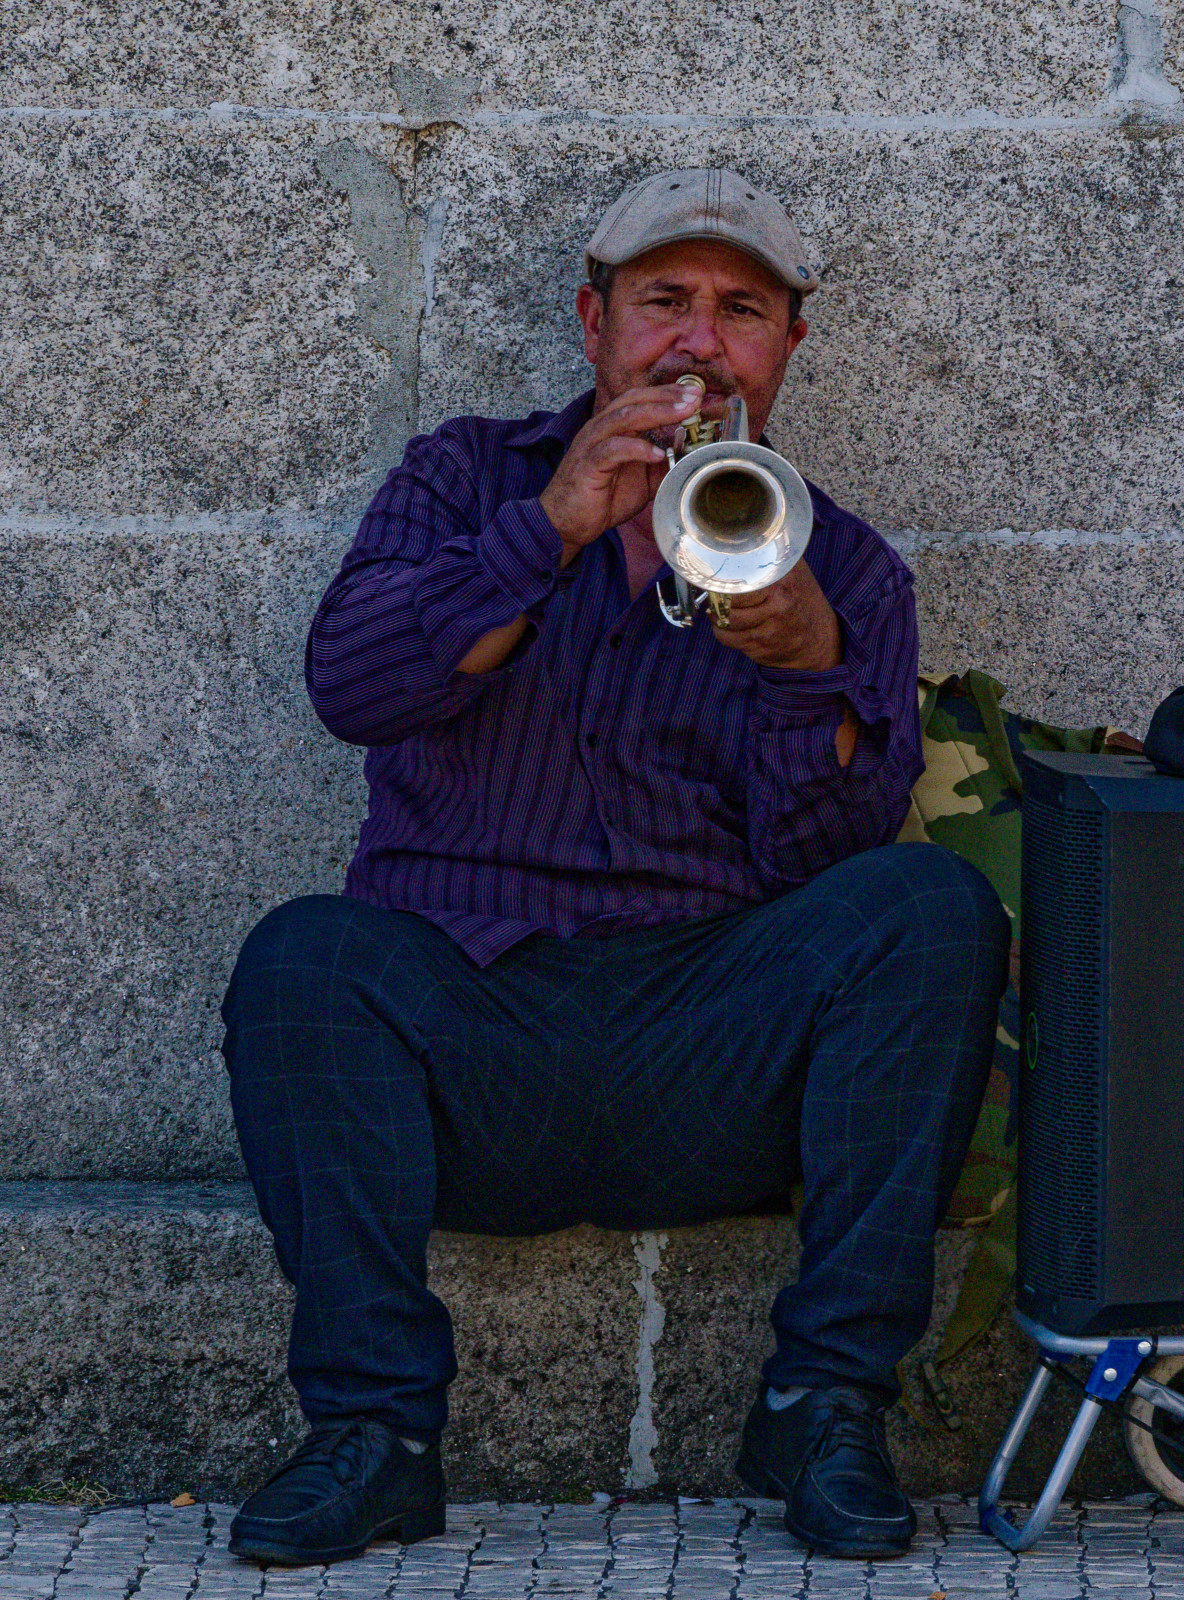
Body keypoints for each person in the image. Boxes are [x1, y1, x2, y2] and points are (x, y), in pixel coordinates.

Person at [222, 168, 1011, 1568]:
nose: (699, 343)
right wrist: (551, 527)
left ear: (786, 349)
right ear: (595, 325)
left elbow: (830, 858)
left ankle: (824, 1405)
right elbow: (352, 685)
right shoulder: (460, 477)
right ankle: (375, 1435)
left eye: (741, 311)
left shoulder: (849, 569)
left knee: (930, 909)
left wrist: (805, 669)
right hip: (473, 1031)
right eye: (664, 303)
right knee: (303, 956)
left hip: (707, 1046)